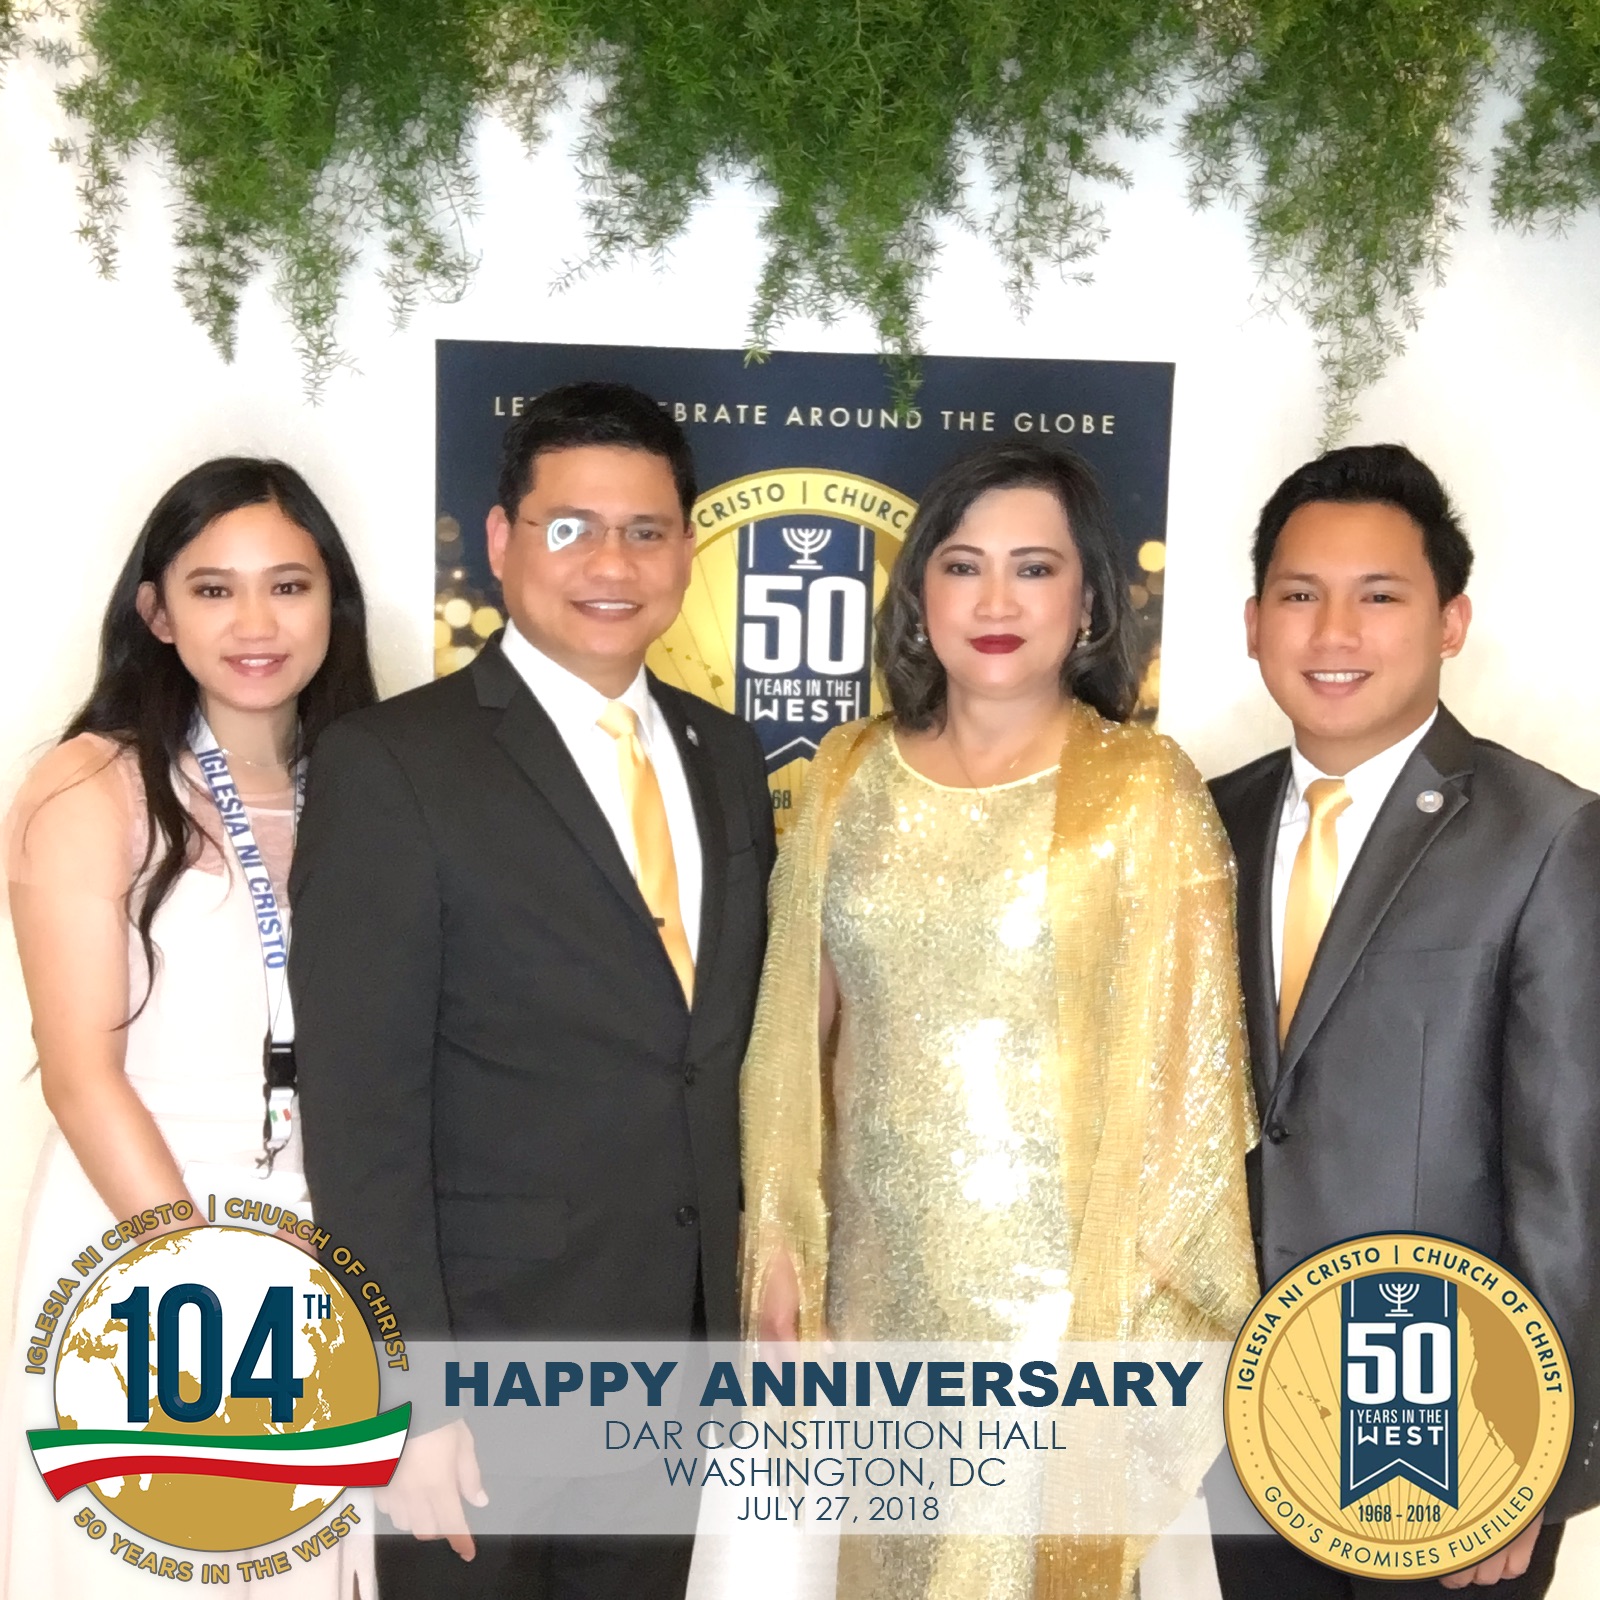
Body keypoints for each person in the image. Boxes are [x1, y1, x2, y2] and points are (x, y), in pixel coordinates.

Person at [741, 439, 1259, 1600]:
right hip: (879, 1293)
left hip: (1061, 1308)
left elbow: (1189, 1077)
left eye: (1034, 568)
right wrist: (778, 1240)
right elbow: (788, 1035)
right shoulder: (847, 772)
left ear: (1088, 603)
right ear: (919, 593)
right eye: (963, 565)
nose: (994, 600)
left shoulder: (1144, 788)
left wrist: (1132, 1315)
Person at [289, 381, 777, 1600]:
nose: (612, 563)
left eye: (646, 530)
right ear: (503, 540)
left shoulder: (724, 754)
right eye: (571, 527)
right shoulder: (394, 762)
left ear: (687, 549)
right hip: (479, 1381)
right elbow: (359, 1114)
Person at [1207, 444, 1600, 1599]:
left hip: (1443, 1404)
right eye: (1299, 594)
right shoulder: (1205, 821)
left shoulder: (1545, 836)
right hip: (1245, 1404)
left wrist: (1531, 1456)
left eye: (1378, 595)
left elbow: (1571, 1177)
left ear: (1449, 621)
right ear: (1252, 623)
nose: (1333, 631)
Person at [0, 457, 379, 1597]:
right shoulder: (93, 784)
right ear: (156, 612)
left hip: (326, 1235)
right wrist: (205, 1282)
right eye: (213, 589)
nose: (255, 623)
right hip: (146, 1233)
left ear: (333, 602)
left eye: (288, 586)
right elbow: (80, 1075)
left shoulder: (378, 783)